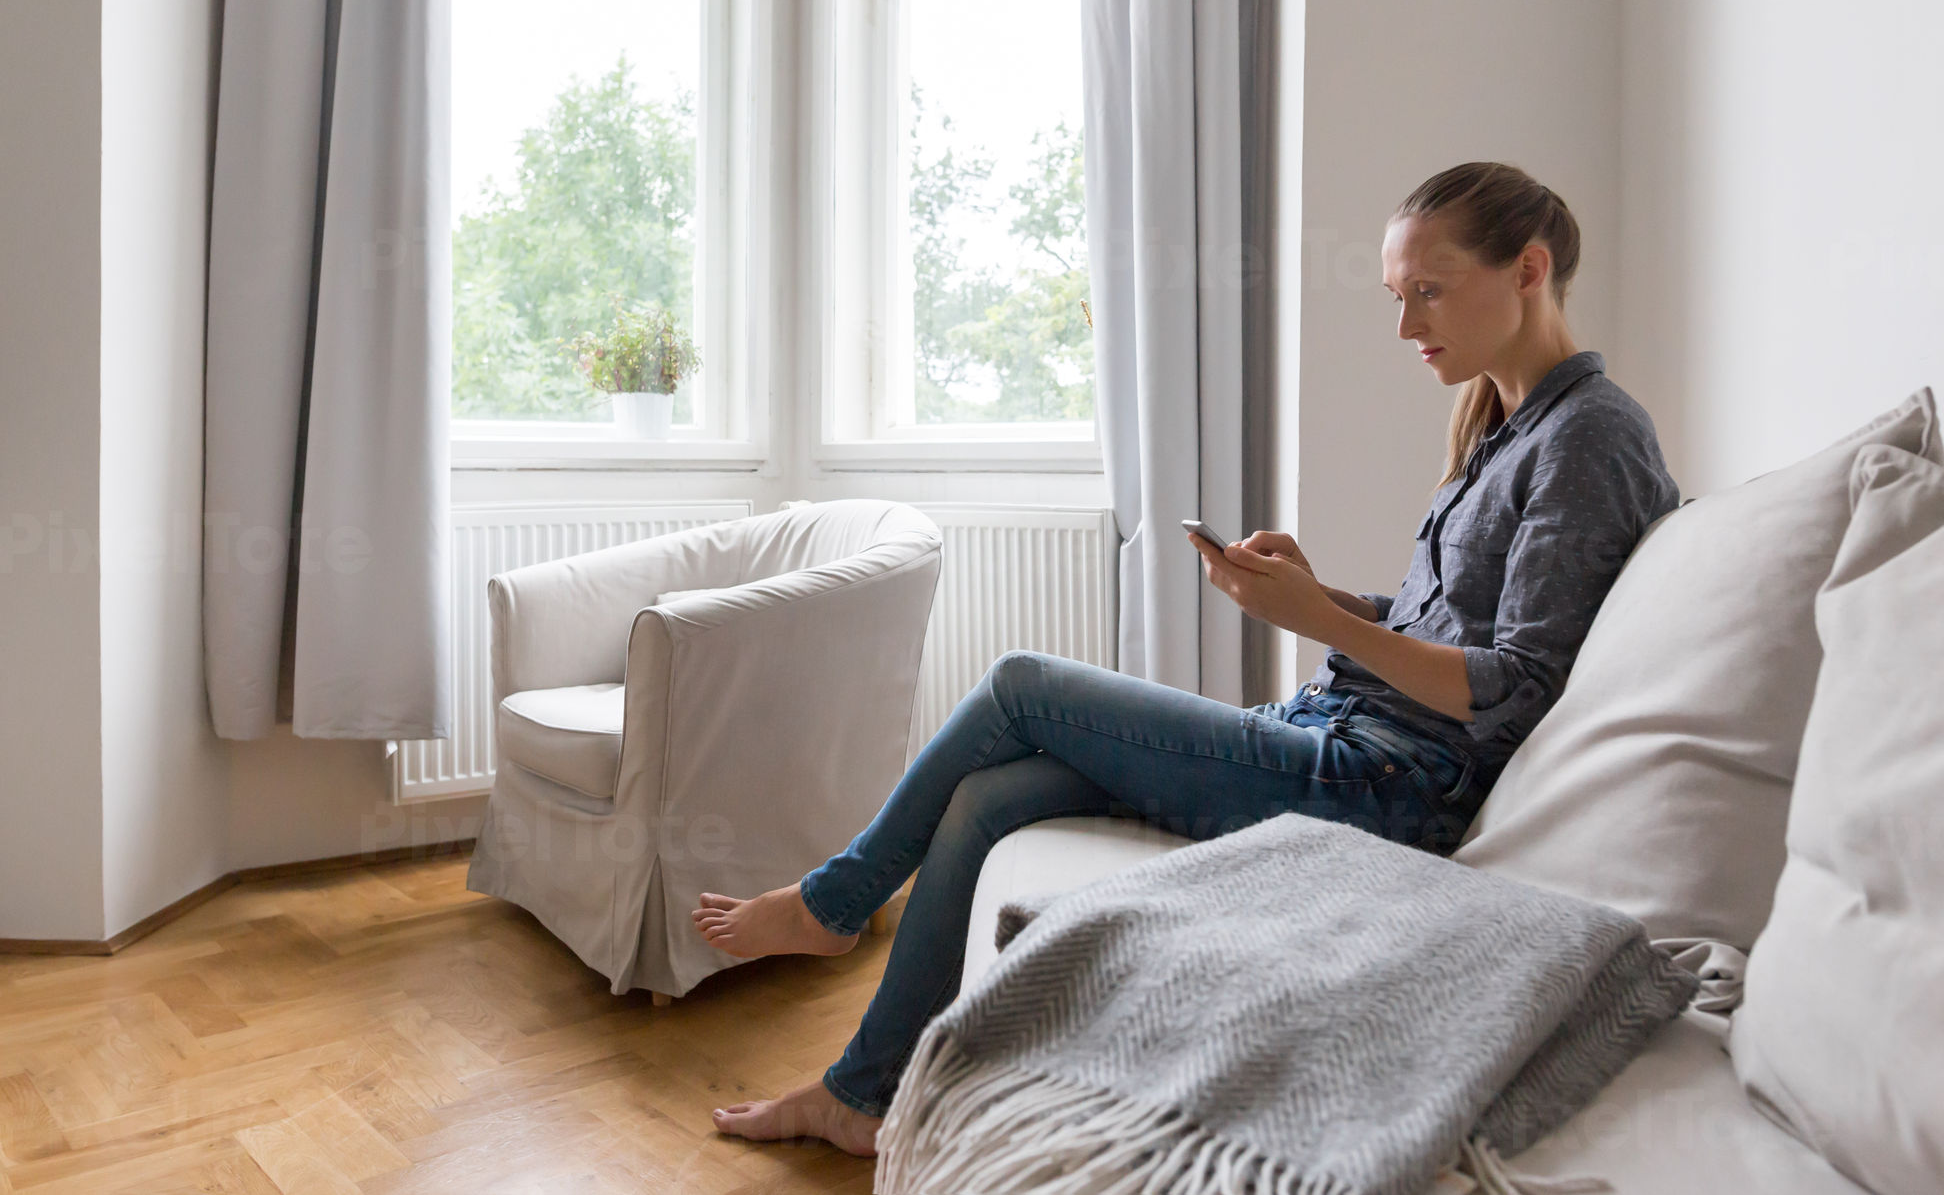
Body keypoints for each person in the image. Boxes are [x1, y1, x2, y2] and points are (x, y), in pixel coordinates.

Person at [691, 161, 1680, 1156]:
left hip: (1386, 786)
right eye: (1394, 295)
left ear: (1527, 268)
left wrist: (1324, 622)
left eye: (1426, 289)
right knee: (991, 795)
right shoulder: (1498, 426)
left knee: (1017, 684)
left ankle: (832, 901)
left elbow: (1514, 686)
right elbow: (1441, 629)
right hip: (1337, 735)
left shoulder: (1589, 437)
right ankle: (860, 1093)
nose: (1404, 324)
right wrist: (1318, 593)